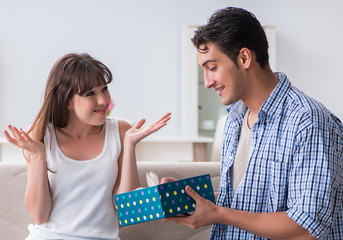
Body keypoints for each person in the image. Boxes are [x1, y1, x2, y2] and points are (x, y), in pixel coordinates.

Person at [161, 7, 343, 239]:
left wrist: (219, 214)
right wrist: (193, 197)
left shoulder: (308, 121)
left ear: (244, 58)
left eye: (212, 68)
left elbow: (306, 229)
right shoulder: (234, 120)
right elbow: (246, 201)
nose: (207, 82)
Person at [4, 53, 171, 239]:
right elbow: (38, 216)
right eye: (90, 93)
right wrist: (37, 155)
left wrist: (130, 145)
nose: (103, 100)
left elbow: (129, 211)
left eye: (104, 89)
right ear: (66, 101)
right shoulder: (41, 134)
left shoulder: (121, 131)